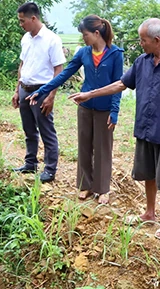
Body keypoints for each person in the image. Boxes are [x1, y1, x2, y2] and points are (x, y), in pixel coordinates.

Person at [69, 18, 160, 240]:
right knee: (148, 174)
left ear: (156, 40)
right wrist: (90, 94)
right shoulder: (142, 62)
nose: (140, 44)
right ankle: (149, 213)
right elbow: (121, 84)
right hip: (145, 128)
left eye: (143, 40)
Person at [28, 15, 124, 204]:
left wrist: (114, 111)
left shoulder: (115, 54)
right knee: (84, 146)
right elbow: (64, 74)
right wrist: (42, 90)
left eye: (85, 35)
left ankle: (102, 188)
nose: (83, 38)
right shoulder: (84, 53)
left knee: (103, 148)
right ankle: (86, 186)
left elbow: (118, 86)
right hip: (85, 107)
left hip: (105, 109)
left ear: (97, 33)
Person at [12, 2, 65, 183]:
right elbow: (22, 64)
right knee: (29, 130)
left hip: (42, 90)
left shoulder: (52, 40)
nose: (21, 24)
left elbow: (59, 69)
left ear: (33, 18)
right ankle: (30, 163)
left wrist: (51, 96)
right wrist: (17, 90)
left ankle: (50, 170)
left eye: (22, 21)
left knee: (46, 131)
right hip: (25, 88)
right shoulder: (26, 38)